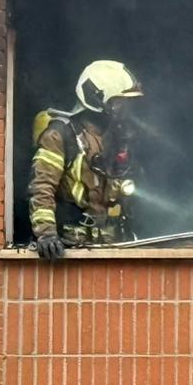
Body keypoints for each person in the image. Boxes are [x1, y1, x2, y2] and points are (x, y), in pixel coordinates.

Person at [28, 60, 143, 260]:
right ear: (96, 99)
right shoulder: (60, 135)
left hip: (114, 244)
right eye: (118, 103)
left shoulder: (117, 137)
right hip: (71, 245)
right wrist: (46, 234)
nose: (125, 110)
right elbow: (42, 185)